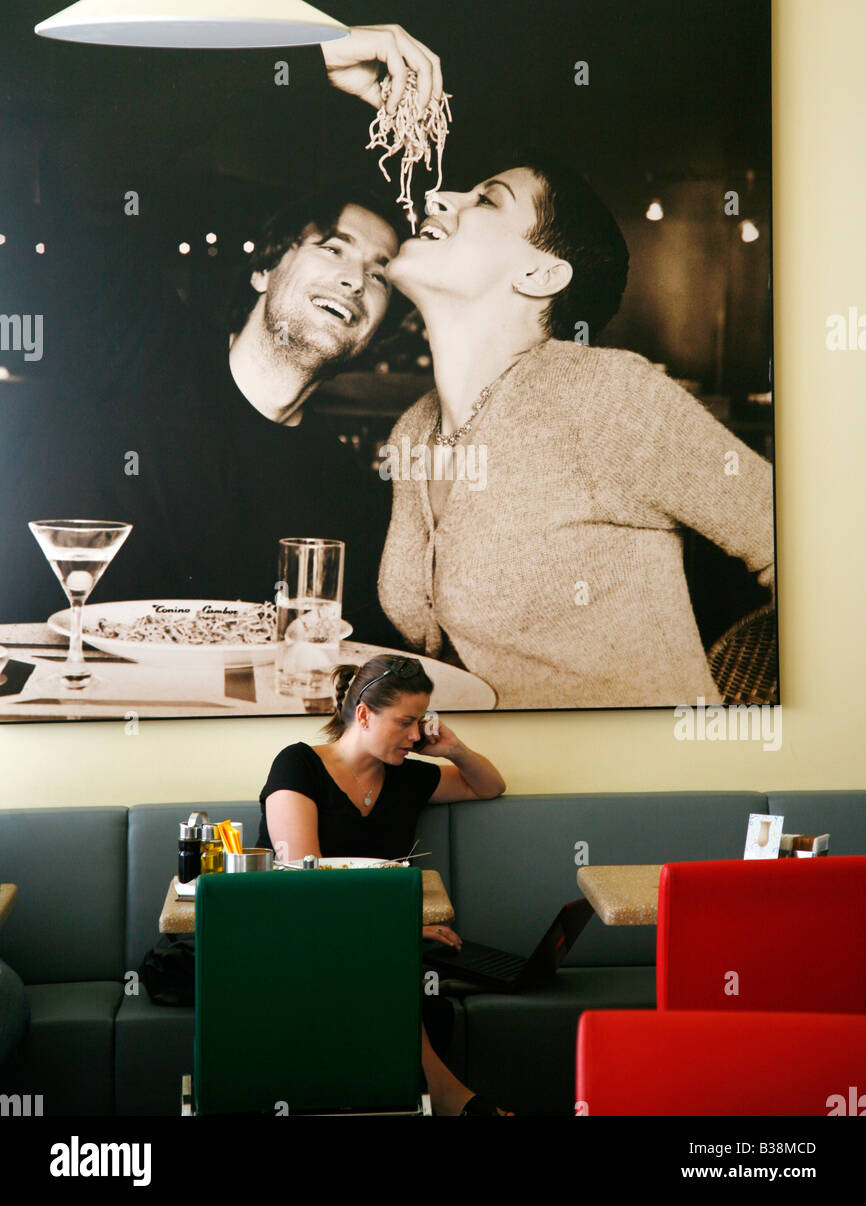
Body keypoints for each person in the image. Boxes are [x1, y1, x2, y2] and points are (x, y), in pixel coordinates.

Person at [375, 140, 775, 707]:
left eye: (488, 200)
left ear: (541, 273)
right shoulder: (413, 431)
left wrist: (763, 701)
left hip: (636, 783)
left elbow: (799, 543)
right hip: (484, 780)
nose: (438, 196)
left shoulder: (604, 394)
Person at [0, 183, 405, 640]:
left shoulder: (345, 493)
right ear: (265, 270)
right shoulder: (139, 336)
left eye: (380, 277)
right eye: (333, 249)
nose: (356, 280)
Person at [257, 653, 510, 1115]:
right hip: (290, 934)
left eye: (422, 722)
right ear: (363, 714)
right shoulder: (298, 767)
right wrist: (396, 931)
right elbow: (305, 885)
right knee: (386, 969)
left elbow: (488, 786)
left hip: (357, 939)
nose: (416, 736)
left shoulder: (408, 777)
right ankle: (452, 1099)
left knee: (413, 987)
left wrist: (453, 748)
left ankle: (436, 1100)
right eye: (406, 723)